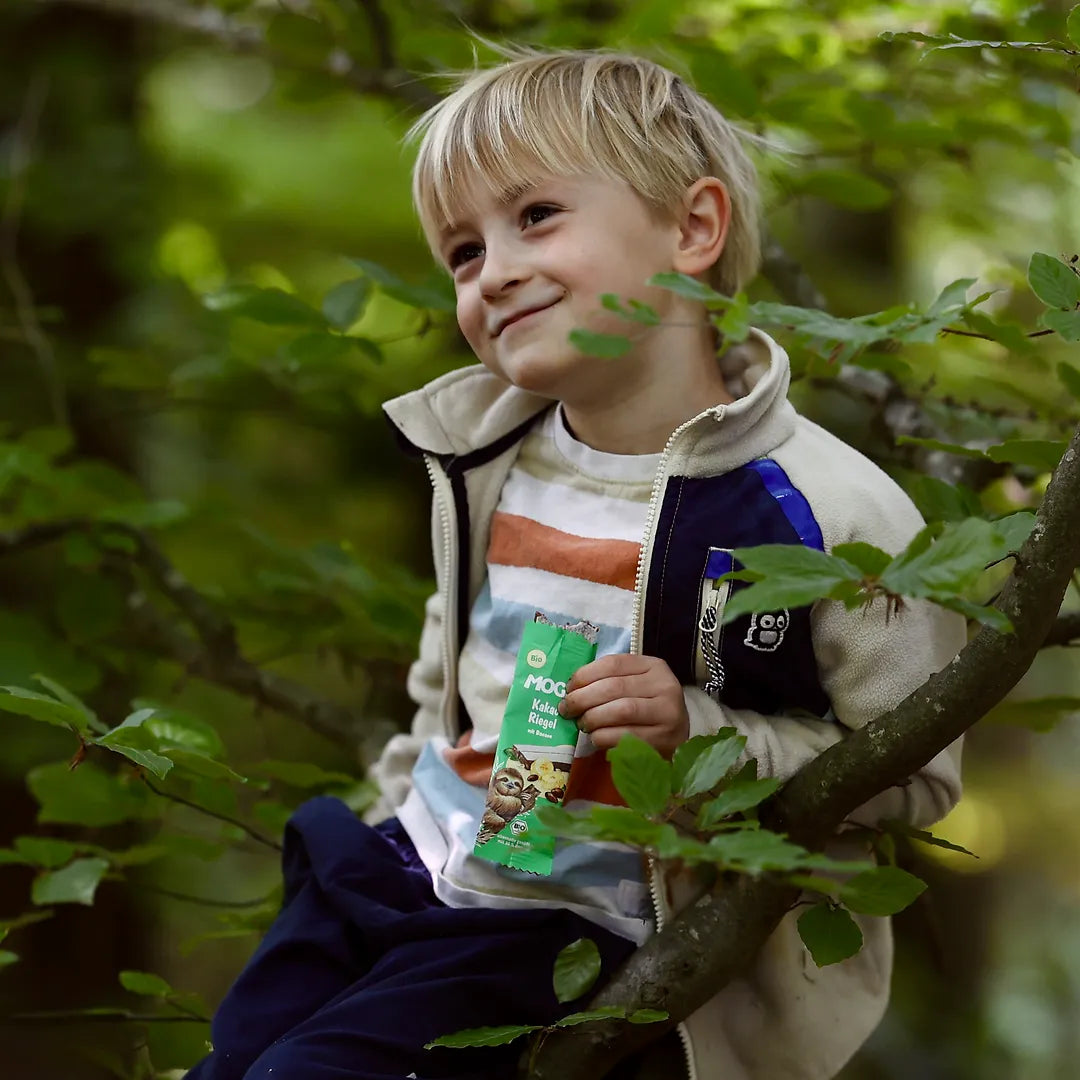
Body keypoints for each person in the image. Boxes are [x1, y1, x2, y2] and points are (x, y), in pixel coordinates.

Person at [187, 46, 965, 1080]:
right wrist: (386, 814)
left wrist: (700, 735)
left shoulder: (828, 513)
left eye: (536, 217)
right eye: (463, 253)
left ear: (692, 229)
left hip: (559, 925)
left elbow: (909, 771)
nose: (493, 271)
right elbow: (450, 677)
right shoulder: (488, 460)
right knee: (230, 1062)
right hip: (409, 861)